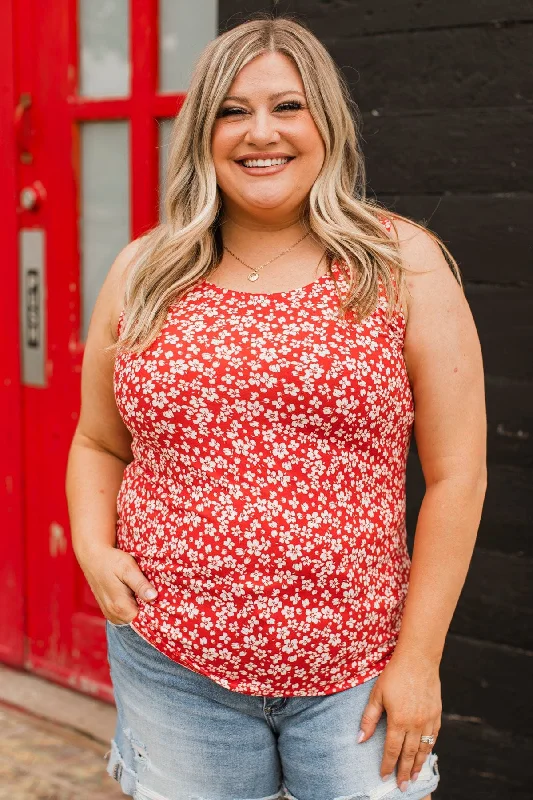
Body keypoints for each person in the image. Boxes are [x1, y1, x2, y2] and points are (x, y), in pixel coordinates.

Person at [65, 15, 486, 800]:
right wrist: (93, 546)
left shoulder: (399, 264)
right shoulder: (145, 271)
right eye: (231, 110)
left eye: (287, 106)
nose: (260, 132)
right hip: (173, 663)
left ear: (326, 121)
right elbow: (97, 441)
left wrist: (418, 658)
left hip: (357, 671)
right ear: (203, 132)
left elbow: (458, 474)